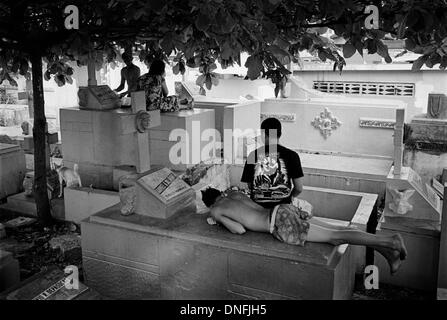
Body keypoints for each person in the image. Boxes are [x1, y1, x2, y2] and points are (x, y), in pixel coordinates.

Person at [201, 188, 408, 275]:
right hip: (284, 208)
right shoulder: (234, 193)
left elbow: (239, 230)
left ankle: (391, 242)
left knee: (336, 237)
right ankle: (387, 250)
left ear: (210, 204)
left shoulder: (216, 209)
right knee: (339, 232)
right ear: (220, 193)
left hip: (279, 223)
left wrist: (218, 219)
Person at [241, 117, 304, 209]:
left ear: (263, 134)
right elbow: (299, 188)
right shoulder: (292, 156)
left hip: (257, 211)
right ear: (280, 134)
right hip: (282, 211)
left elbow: (251, 186)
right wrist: (289, 199)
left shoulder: (252, 155)